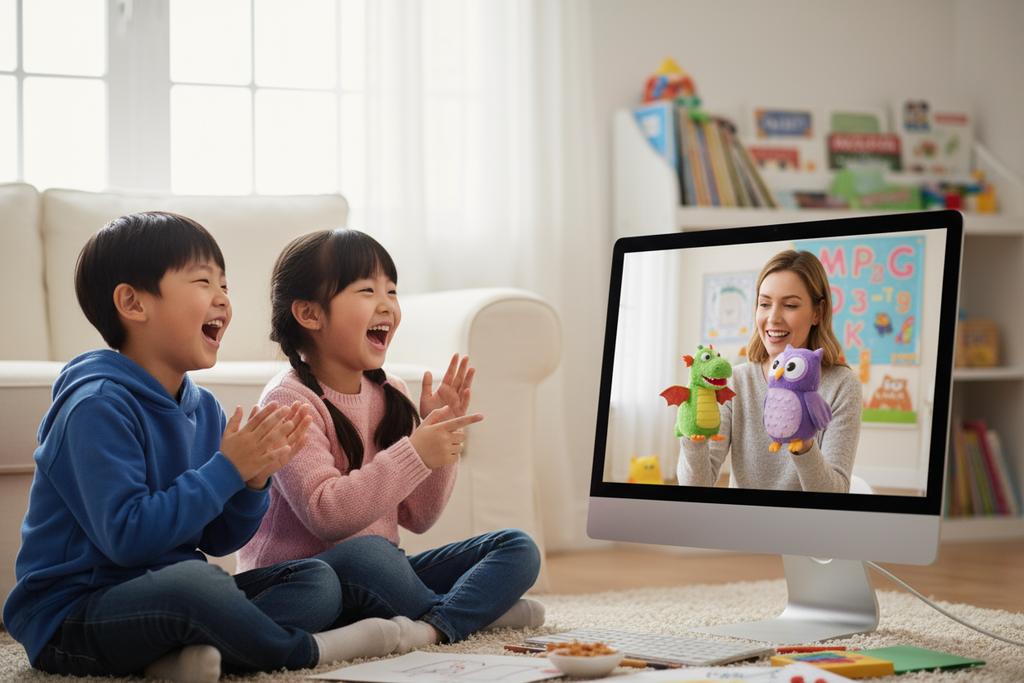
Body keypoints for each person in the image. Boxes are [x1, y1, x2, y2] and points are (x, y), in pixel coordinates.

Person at [2, 213, 404, 683]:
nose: (223, 299)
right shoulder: (94, 407)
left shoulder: (203, 408)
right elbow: (129, 538)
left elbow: (217, 539)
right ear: (133, 303)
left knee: (313, 581)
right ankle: (305, 651)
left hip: (168, 595)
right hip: (73, 613)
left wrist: (252, 482)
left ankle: (179, 656)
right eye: (203, 282)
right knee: (197, 585)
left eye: (225, 285)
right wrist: (225, 470)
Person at [238, 228, 544, 652]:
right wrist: (414, 452)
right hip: (309, 579)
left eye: (392, 290)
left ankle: (435, 625)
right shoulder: (290, 400)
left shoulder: (391, 391)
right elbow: (326, 515)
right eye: (367, 290)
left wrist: (439, 441)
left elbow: (419, 518)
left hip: (384, 576)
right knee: (370, 555)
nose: (387, 305)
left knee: (517, 547)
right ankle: (469, 614)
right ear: (310, 314)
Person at [676, 249, 862, 492]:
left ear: (818, 312)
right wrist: (693, 433)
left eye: (790, 305)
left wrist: (804, 445)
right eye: (764, 304)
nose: (773, 317)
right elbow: (696, 486)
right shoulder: (735, 381)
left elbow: (835, 494)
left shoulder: (842, 385)